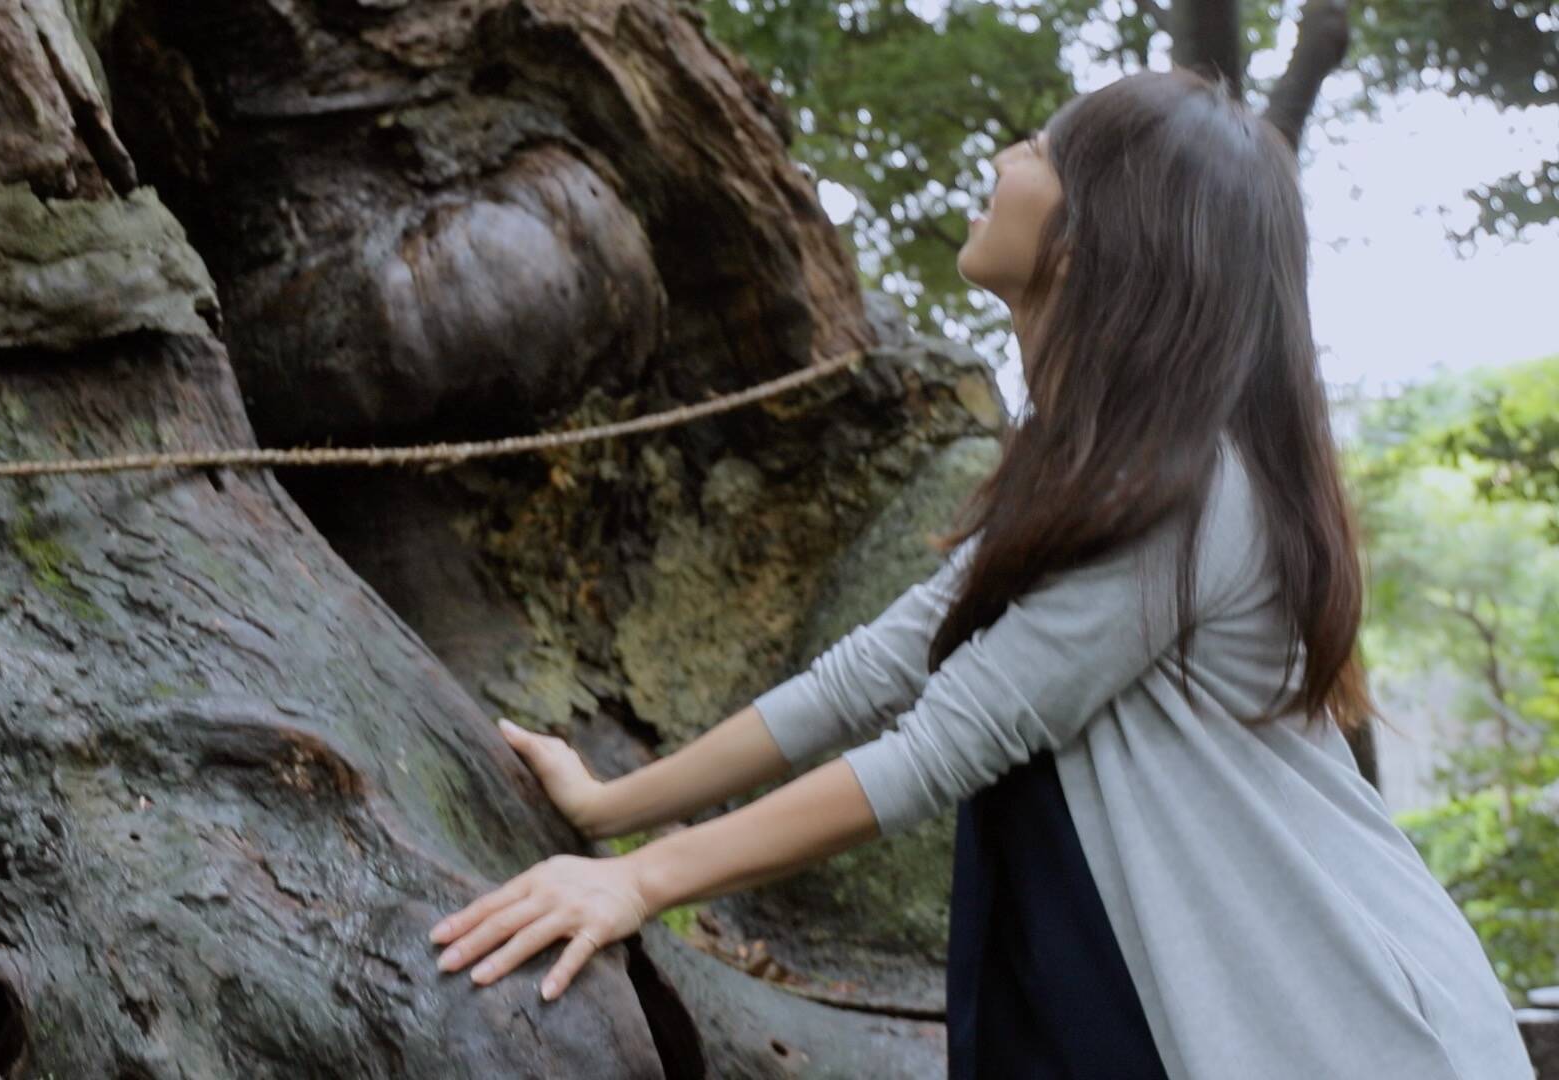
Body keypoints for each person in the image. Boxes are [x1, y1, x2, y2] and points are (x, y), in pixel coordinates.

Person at [426, 67, 1536, 1079]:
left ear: (1100, 238)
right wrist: (616, 806)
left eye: (1046, 152)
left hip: (1334, 1026)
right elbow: (882, 666)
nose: (1008, 159)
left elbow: (941, 744)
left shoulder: (1191, 493)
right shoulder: (1095, 466)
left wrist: (638, 881)